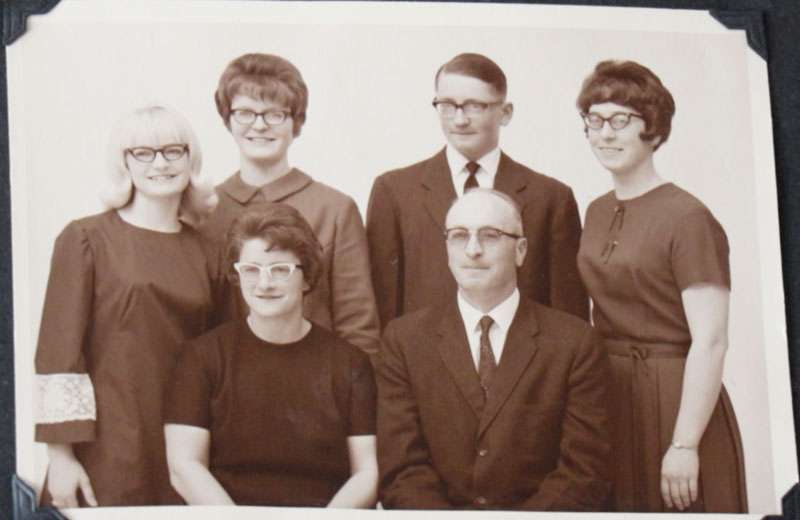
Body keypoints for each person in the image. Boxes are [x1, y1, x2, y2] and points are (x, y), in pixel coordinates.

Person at [575, 60, 747, 513]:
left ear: (651, 128)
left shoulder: (688, 217)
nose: (605, 133)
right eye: (594, 120)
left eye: (620, 121)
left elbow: (711, 340)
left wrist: (685, 445)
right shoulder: (594, 211)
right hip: (609, 393)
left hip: (675, 396)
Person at [376, 188, 611, 510]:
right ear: (446, 247)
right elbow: (402, 471)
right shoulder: (405, 340)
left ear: (521, 250)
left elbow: (583, 473)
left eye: (490, 235)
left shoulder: (575, 343)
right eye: (459, 236)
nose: (473, 250)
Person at [34, 105, 219, 507]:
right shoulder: (86, 238)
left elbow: (223, 358)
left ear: (192, 158)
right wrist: (60, 457)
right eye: (143, 153)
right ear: (124, 163)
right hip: (109, 443)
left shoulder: (208, 250)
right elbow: (58, 355)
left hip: (186, 444)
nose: (161, 164)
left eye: (174, 150)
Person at [164, 205, 378, 508]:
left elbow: (366, 472)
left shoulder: (350, 364)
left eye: (280, 269)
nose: (264, 283)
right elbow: (184, 468)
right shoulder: (201, 358)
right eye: (251, 269)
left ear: (306, 277)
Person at [367, 53, 588, 329]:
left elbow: (570, 320)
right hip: (421, 365)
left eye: (474, 106)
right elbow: (382, 305)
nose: (459, 120)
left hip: (524, 365)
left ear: (505, 113)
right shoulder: (394, 192)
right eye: (447, 105)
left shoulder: (551, 198)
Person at [199, 52, 379, 355]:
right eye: (245, 112)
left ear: (296, 122)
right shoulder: (205, 210)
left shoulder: (335, 209)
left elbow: (358, 326)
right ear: (227, 119)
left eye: (274, 114)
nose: (259, 126)